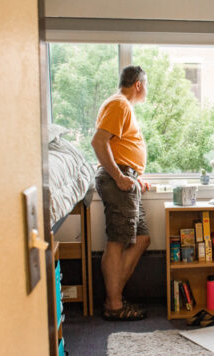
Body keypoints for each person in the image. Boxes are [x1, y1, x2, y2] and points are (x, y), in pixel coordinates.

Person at [91, 65, 151, 321]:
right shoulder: (119, 104)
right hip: (119, 182)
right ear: (138, 84)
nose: (146, 90)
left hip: (128, 181)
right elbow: (98, 141)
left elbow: (118, 145)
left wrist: (135, 176)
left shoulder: (120, 106)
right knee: (117, 241)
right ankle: (114, 305)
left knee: (141, 239)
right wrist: (120, 176)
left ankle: (113, 296)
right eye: (146, 85)